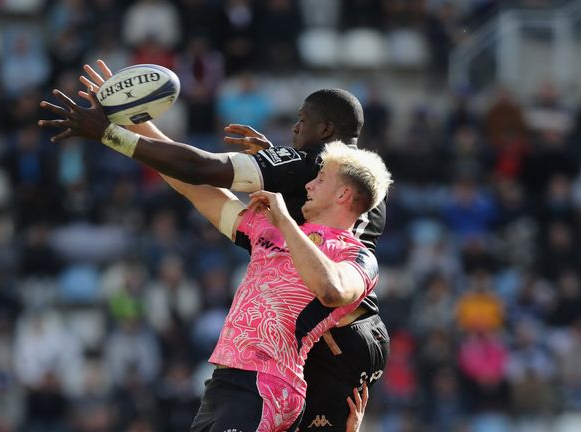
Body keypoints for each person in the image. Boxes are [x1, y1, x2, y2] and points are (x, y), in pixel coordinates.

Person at [39, 60, 391, 429]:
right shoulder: (297, 215)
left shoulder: (316, 185)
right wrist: (128, 117)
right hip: (255, 369)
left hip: (306, 356)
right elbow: (195, 187)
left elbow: (201, 168)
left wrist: (112, 132)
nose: (294, 128)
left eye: (302, 120)